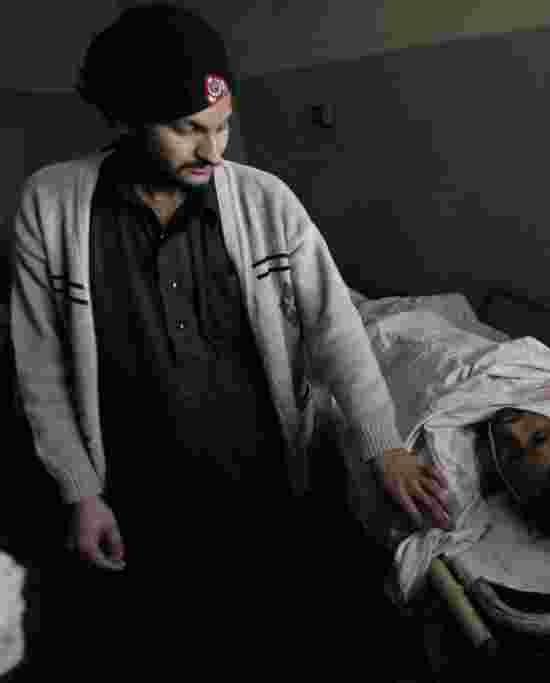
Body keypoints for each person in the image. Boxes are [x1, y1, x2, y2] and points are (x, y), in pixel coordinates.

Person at [8, 4, 450, 677]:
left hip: (263, 496)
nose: (213, 151)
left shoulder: (267, 203)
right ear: (127, 117)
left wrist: (382, 442)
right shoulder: (53, 207)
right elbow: (39, 366)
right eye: (188, 129)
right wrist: (81, 491)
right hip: (136, 503)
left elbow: (336, 327)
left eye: (222, 128)